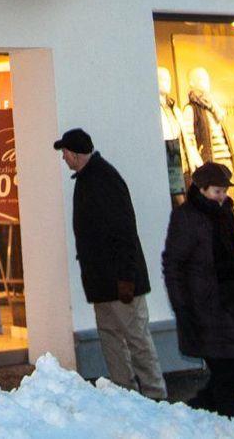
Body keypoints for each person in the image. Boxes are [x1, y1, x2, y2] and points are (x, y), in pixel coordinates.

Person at [55, 127, 165, 399]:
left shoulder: (103, 179)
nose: (63, 158)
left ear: (75, 154)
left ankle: (155, 395)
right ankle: (126, 394)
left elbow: (124, 230)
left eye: (65, 153)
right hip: (103, 282)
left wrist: (126, 277)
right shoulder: (89, 179)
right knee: (111, 338)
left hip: (119, 281)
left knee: (135, 337)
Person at [162, 162, 234, 425]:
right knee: (226, 370)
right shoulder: (186, 217)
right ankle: (233, 427)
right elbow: (173, 265)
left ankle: (196, 410)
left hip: (232, 305)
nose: (222, 197)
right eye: (217, 191)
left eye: (224, 191)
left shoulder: (226, 212)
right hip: (204, 308)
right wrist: (182, 308)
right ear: (201, 189)